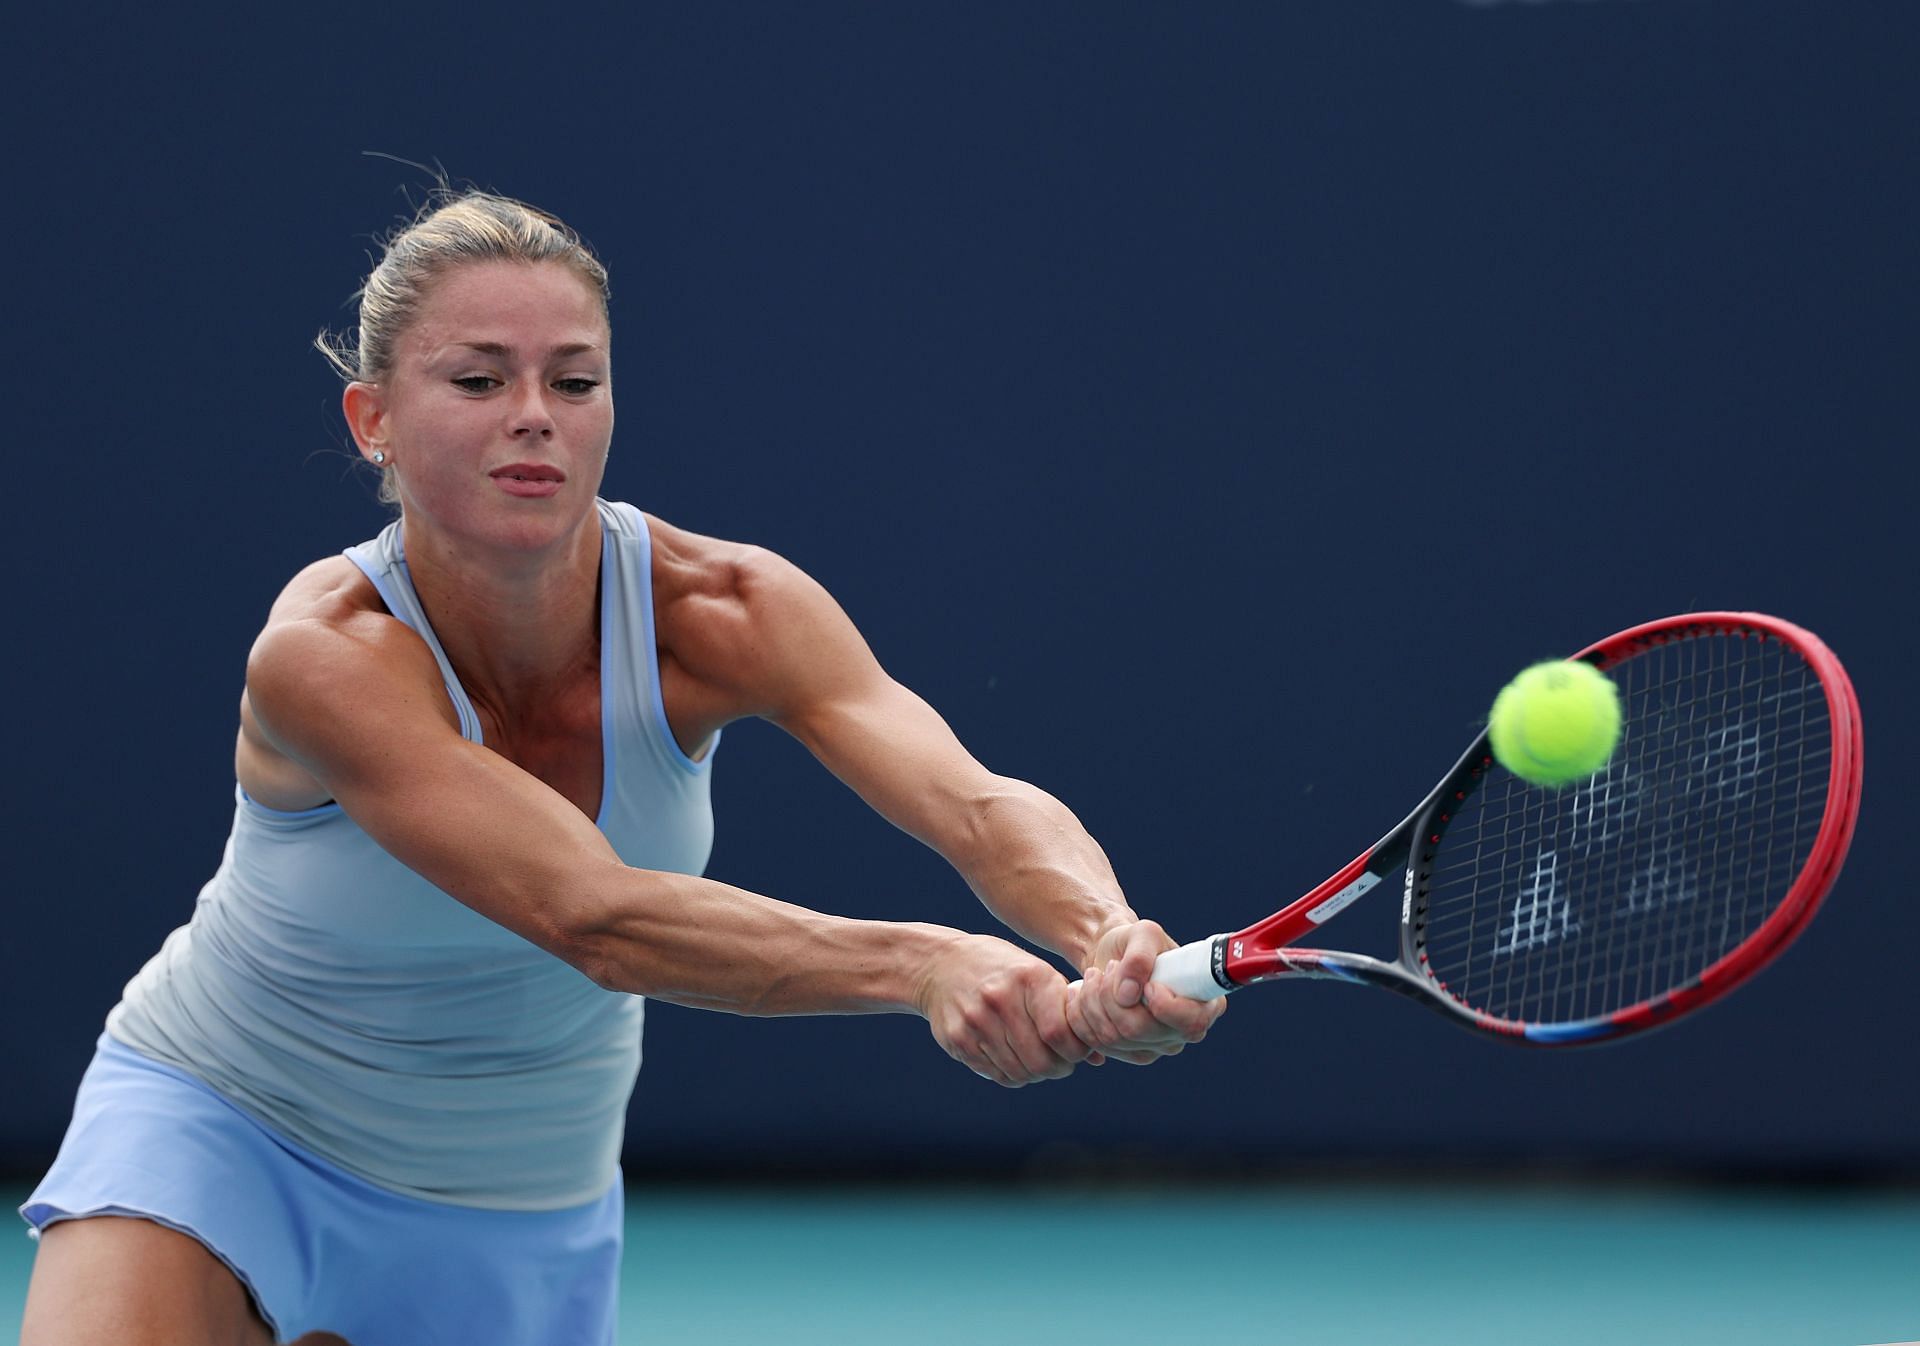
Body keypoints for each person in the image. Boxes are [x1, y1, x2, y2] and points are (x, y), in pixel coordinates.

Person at [17, 191, 1224, 1346]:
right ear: (372, 419)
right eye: (479, 379)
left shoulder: (730, 608)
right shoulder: (325, 657)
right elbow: (590, 915)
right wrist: (927, 963)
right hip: (230, 1122)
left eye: (573, 380)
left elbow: (972, 802)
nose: (533, 413)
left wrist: (1105, 930)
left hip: (517, 1205)